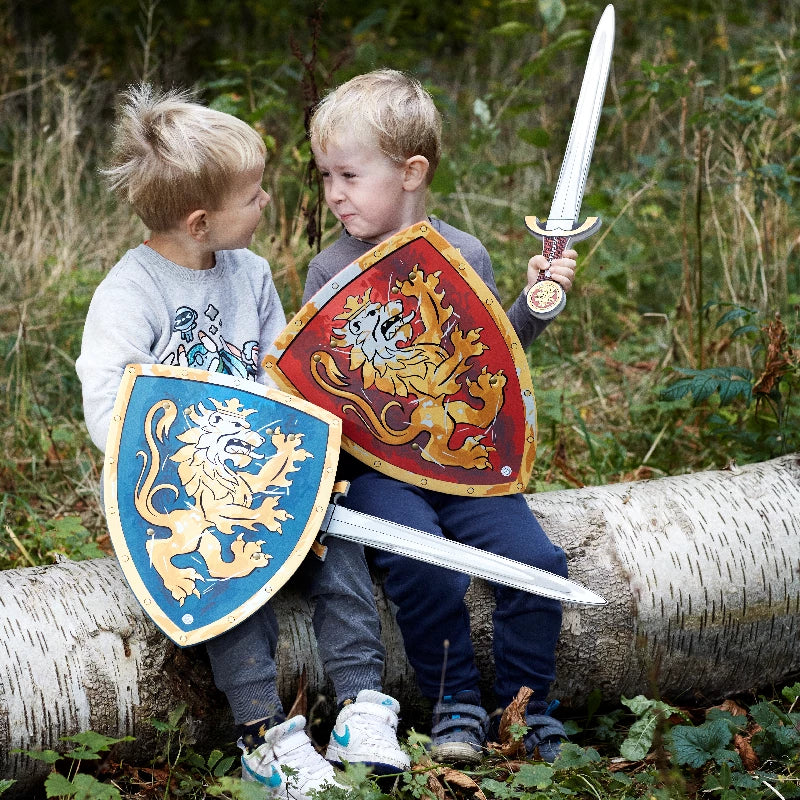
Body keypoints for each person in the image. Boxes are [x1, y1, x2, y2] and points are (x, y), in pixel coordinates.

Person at [75, 84, 409, 799]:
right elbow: (113, 407)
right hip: (181, 496)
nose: (267, 204)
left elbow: (277, 377)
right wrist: (187, 482)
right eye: (254, 196)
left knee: (337, 536)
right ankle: (266, 734)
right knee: (225, 570)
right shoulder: (129, 295)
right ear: (202, 220)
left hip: (265, 472)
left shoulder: (251, 276)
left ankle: (357, 704)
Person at [303, 69, 578, 764]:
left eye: (349, 175)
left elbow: (489, 362)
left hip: (465, 456)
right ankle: (453, 702)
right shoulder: (327, 271)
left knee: (539, 562)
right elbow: (321, 386)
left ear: (411, 172)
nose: (334, 194)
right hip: (379, 469)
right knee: (425, 564)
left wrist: (535, 308)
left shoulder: (463, 256)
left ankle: (526, 707)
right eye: (326, 176)